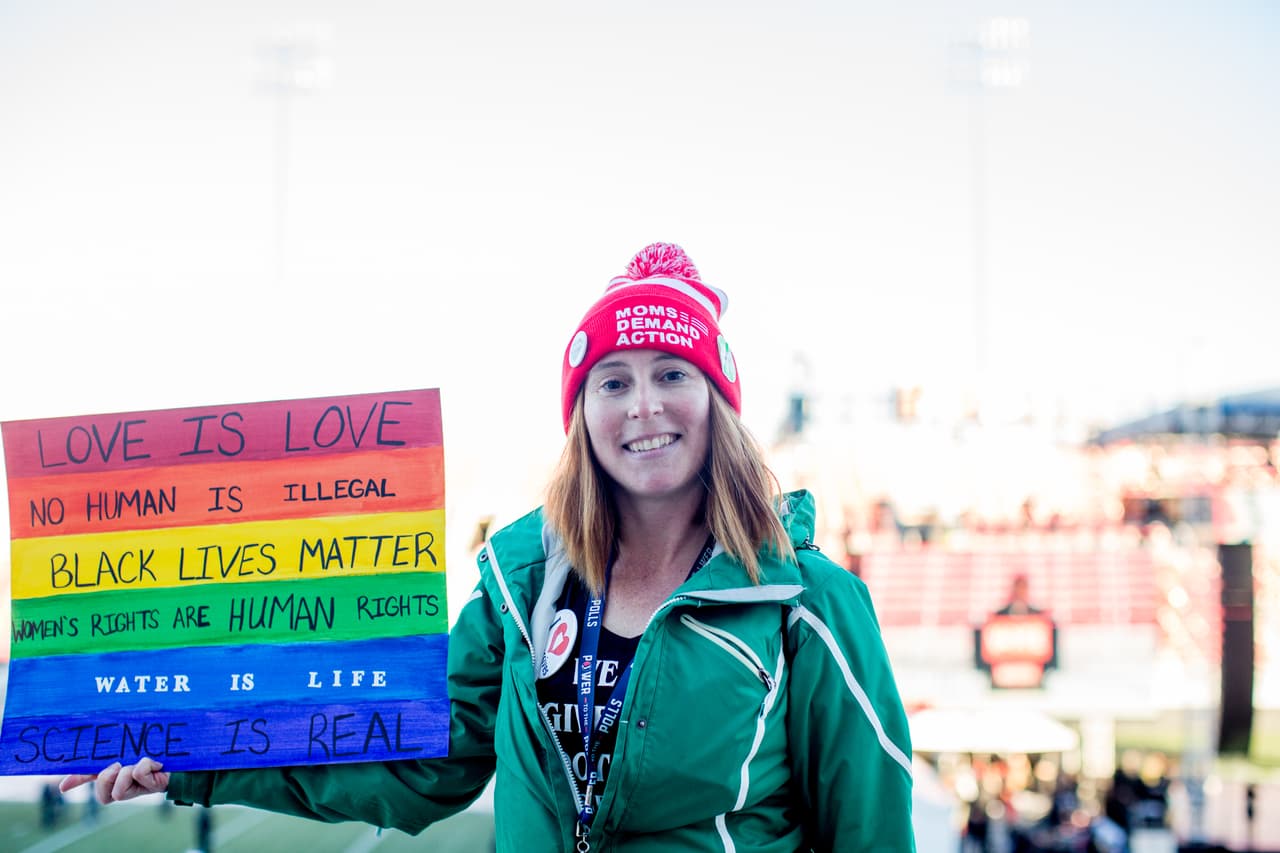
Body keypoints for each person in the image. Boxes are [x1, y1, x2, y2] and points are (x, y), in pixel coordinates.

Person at [62, 243, 915, 851]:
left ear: (718, 401)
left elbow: (872, 831)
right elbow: (412, 766)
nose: (643, 405)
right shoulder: (524, 588)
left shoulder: (806, 604)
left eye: (672, 373)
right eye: (612, 382)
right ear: (582, 415)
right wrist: (189, 754)